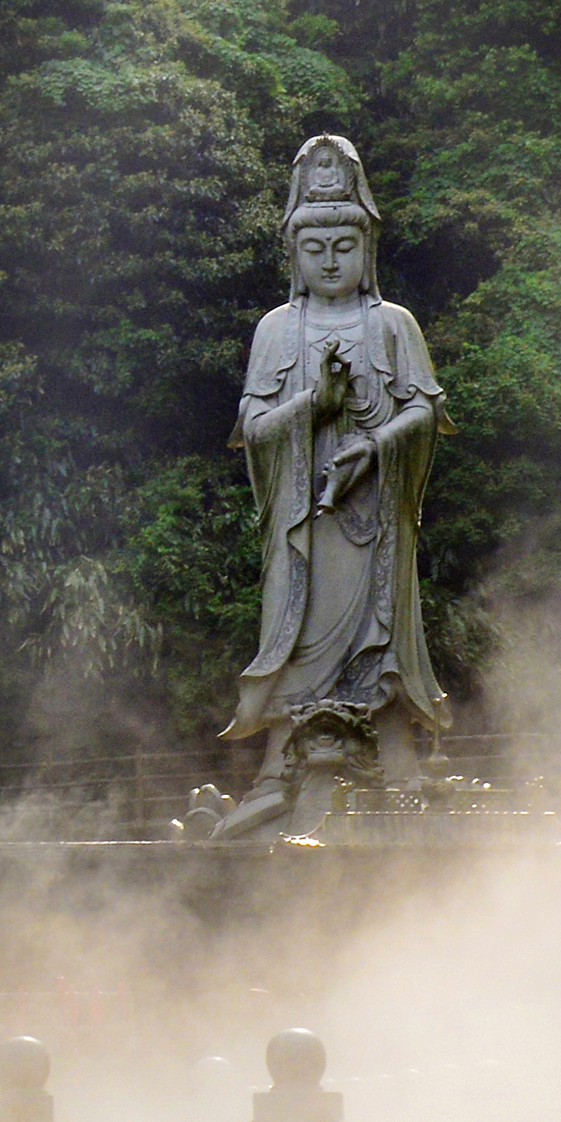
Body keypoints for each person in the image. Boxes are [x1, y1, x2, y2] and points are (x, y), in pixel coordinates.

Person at [214, 134, 448, 837]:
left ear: (366, 247)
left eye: (344, 243)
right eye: (314, 246)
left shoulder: (392, 325)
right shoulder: (276, 330)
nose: (329, 259)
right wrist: (313, 407)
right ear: (293, 253)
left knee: (378, 640)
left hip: (373, 523)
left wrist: (374, 445)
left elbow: (426, 409)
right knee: (298, 634)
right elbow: (253, 428)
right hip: (303, 527)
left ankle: (392, 761)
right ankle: (282, 770)